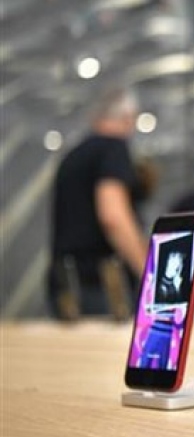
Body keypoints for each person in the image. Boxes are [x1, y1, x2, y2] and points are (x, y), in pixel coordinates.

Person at [48, 86, 148, 320]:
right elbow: (113, 217)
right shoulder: (113, 148)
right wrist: (149, 273)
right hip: (103, 286)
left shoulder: (72, 156)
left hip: (65, 283)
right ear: (128, 117)